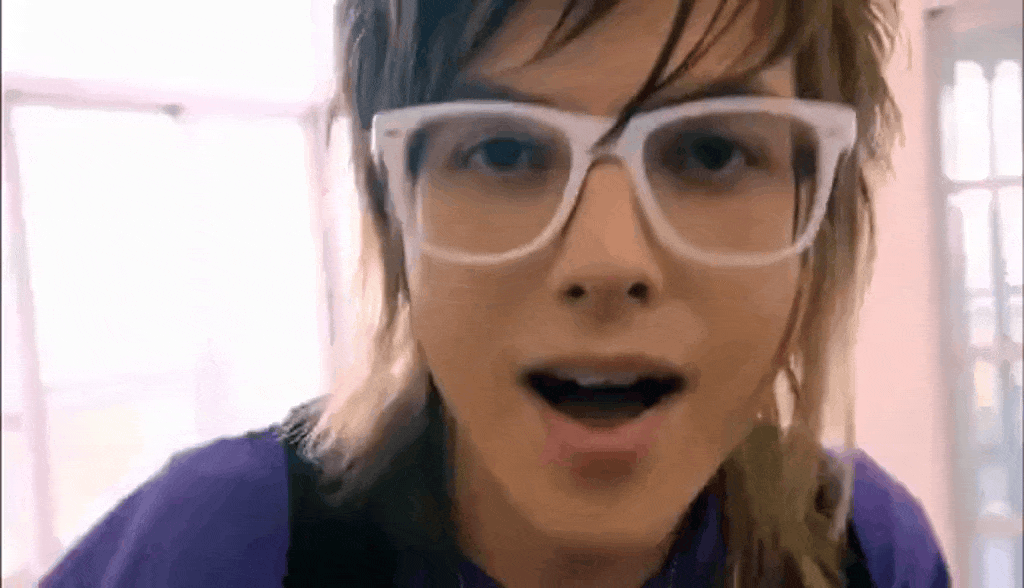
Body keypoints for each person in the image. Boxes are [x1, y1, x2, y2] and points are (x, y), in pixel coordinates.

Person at [38, 0, 951, 586]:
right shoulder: (215, 550)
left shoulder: (865, 550)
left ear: (820, 222)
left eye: (711, 151)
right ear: (392, 211)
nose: (606, 259)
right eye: (504, 150)